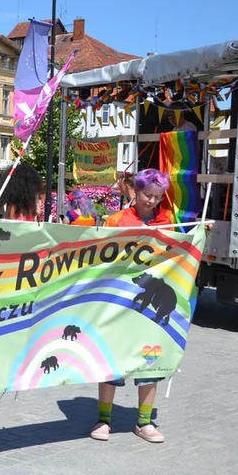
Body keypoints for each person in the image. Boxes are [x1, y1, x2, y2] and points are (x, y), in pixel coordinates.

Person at [92, 168, 176, 444]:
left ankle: (144, 422)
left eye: (157, 197)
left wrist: (200, 234)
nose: (151, 201)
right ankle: (103, 420)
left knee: (150, 360)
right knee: (112, 360)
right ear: (134, 191)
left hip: (152, 305)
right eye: (147, 195)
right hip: (119, 301)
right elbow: (100, 255)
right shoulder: (118, 219)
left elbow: (178, 252)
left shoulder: (168, 219)